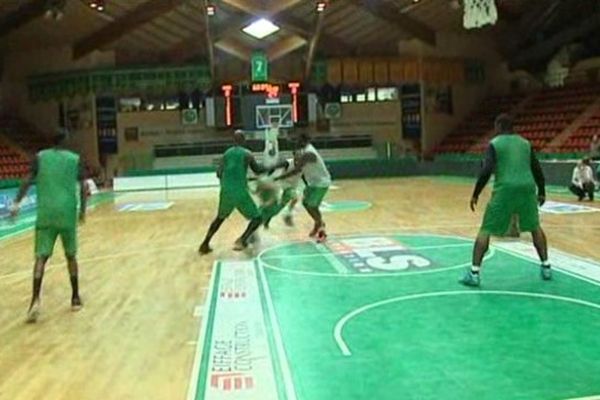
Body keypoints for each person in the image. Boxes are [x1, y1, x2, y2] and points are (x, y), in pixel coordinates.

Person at [461, 114, 551, 287]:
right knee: (534, 227)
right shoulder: (525, 143)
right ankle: (546, 266)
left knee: (485, 229)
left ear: (498, 127)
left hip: (505, 189)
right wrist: (542, 190)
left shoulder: (495, 144)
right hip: (527, 188)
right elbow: (536, 167)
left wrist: (476, 193)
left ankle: (474, 273)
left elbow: (486, 170)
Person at [10, 131, 87, 323]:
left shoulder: (40, 157)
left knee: (41, 258)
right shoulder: (74, 159)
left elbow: (27, 180)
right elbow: (84, 186)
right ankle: (75, 298)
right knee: (71, 256)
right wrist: (83, 211)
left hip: (46, 213)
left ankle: (35, 301)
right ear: (66, 142)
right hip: (67, 213)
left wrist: (16, 204)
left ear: (50, 141)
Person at [198, 130, 281, 254]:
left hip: (226, 190)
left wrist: (228, 180)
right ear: (244, 140)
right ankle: (242, 240)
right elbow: (258, 170)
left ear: (233, 140)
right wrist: (275, 166)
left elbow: (218, 173)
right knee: (257, 218)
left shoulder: (226, 153)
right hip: (239, 190)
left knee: (219, 218)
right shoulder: (247, 154)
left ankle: (205, 244)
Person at [276, 133, 331, 240]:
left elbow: (297, 170)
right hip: (313, 183)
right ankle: (318, 223)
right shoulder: (304, 151)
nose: (296, 143)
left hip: (321, 183)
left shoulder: (308, 153)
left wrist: (280, 177)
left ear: (303, 141)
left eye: (297, 140)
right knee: (307, 203)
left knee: (311, 206)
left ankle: (321, 227)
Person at [261, 151, 303, 228]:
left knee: (278, 208)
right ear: (294, 155)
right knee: (295, 198)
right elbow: (275, 166)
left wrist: (308, 184)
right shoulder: (287, 163)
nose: (300, 155)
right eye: (298, 154)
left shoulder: (304, 164)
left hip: (292, 186)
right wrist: (268, 175)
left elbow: (303, 175)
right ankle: (287, 214)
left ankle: (269, 219)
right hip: (283, 184)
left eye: (301, 154)